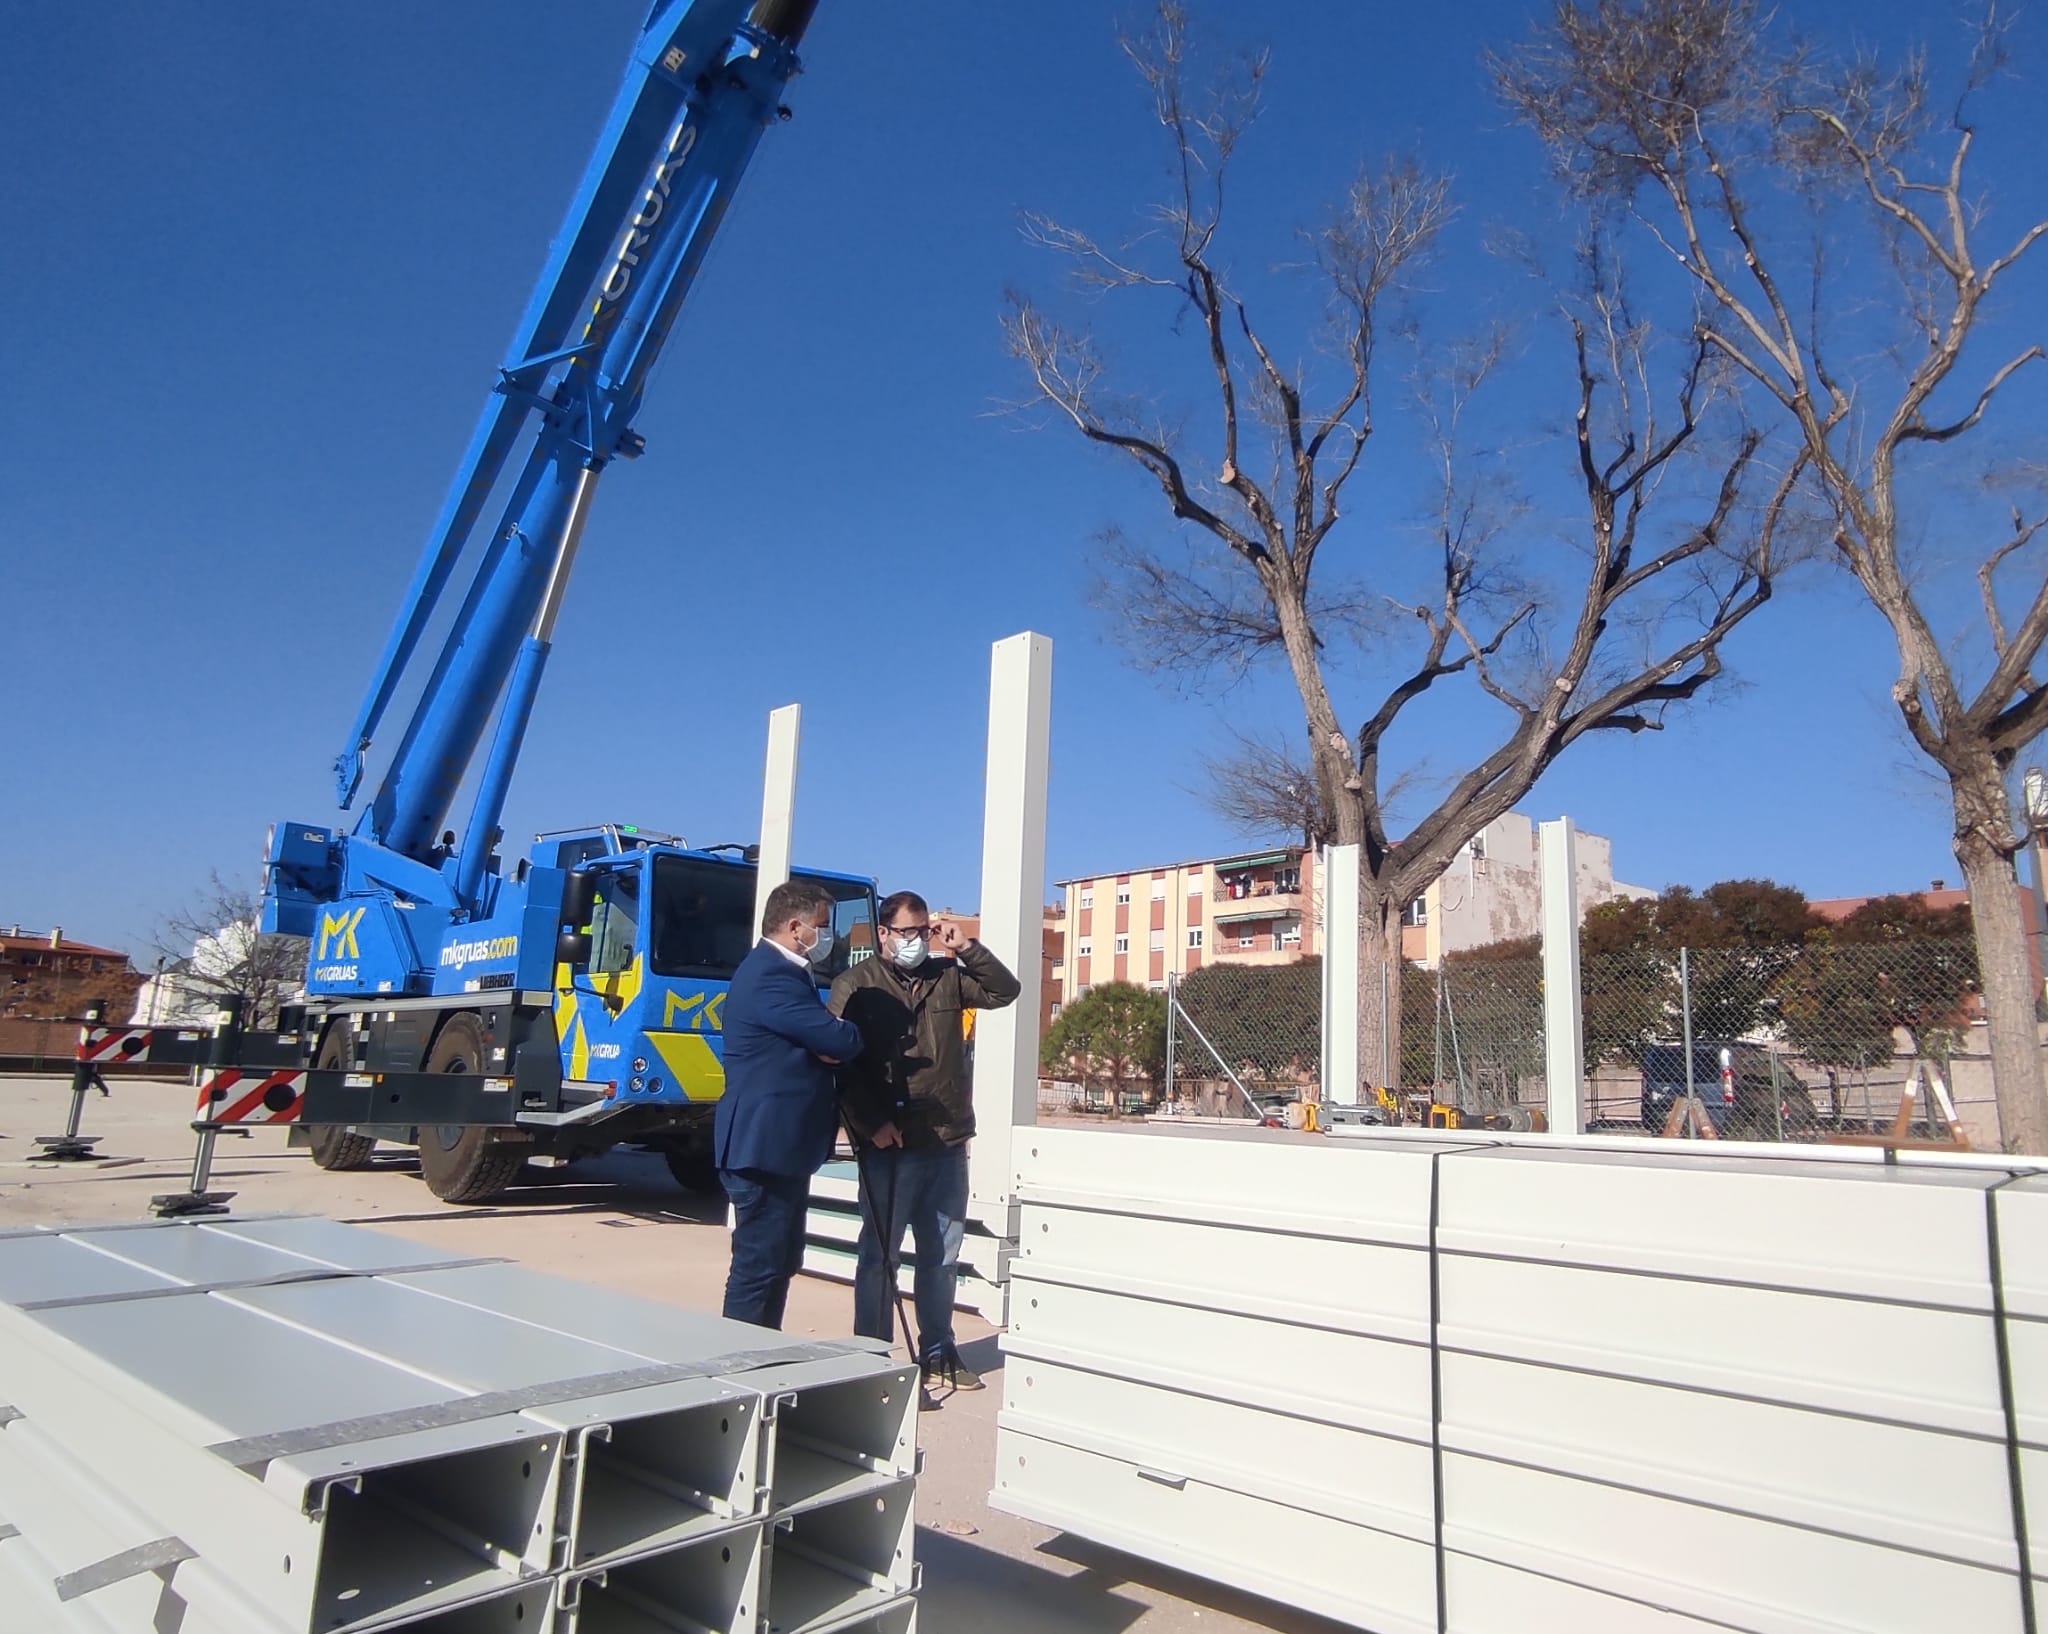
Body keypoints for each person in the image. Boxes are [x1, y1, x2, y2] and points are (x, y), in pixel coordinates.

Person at [830, 891, 1020, 1395]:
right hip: (888, 1144)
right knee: (880, 1256)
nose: (915, 941)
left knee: (941, 1254)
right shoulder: (855, 985)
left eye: (922, 931)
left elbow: (1005, 990)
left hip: (945, 1139)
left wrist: (966, 948)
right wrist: (870, 1123)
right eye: (906, 932)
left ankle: (939, 1350)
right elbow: (837, 1065)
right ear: (884, 934)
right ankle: (871, 1358)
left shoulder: (947, 977)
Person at [715, 877, 863, 1329]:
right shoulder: (770, 975)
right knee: (759, 1268)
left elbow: (821, 1040)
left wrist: (822, 1041)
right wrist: (834, 1037)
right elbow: (839, 1038)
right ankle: (737, 1364)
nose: (827, 936)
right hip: (763, 1147)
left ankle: (762, 1353)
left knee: (780, 1261)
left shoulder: (789, 973)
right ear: (795, 926)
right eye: (822, 925)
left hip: (782, 1147)